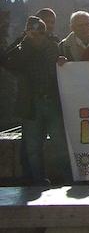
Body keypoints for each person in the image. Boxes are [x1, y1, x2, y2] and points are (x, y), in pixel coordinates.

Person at [4, 16, 70, 185]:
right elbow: (6, 61)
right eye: (33, 33)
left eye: (40, 32)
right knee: (33, 147)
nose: (37, 36)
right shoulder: (22, 49)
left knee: (60, 144)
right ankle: (38, 180)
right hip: (31, 104)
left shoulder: (54, 47)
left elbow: (66, 65)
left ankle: (68, 178)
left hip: (52, 102)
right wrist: (24, 41)